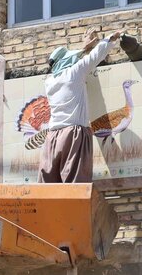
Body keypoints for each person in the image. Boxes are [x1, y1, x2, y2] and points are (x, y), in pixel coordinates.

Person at [39, 29, 122, 184]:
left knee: (49, 186)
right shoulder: (74, 73)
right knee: (74, 183)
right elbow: (96, 55)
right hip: (73, 133)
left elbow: (71, 62)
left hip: (52, 137)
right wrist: (112, 37)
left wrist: (83, 49)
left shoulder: (49, 82)